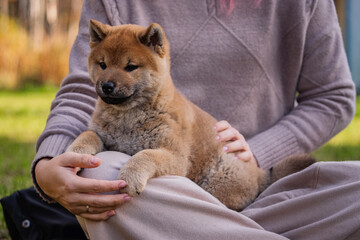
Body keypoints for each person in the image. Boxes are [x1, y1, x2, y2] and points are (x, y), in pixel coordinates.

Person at [31, 0, 358, 239]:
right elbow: (80, 90)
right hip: (164, 198)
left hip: (258, 186)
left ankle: (231, 230)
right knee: (105, 176)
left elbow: (334, 96)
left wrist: (259, 151)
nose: (111, 77)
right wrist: (49, 164)